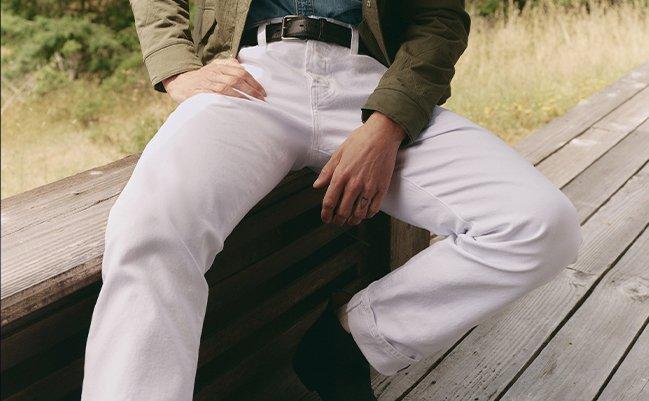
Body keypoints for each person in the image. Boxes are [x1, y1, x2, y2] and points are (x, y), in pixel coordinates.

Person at [81, 1, 583, 400]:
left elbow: (439, 18)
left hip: (371, 82)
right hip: (248, 76)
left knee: (540, 224)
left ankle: (350, 339)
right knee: (152, 230)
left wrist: (388, 123)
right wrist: (176, 67)